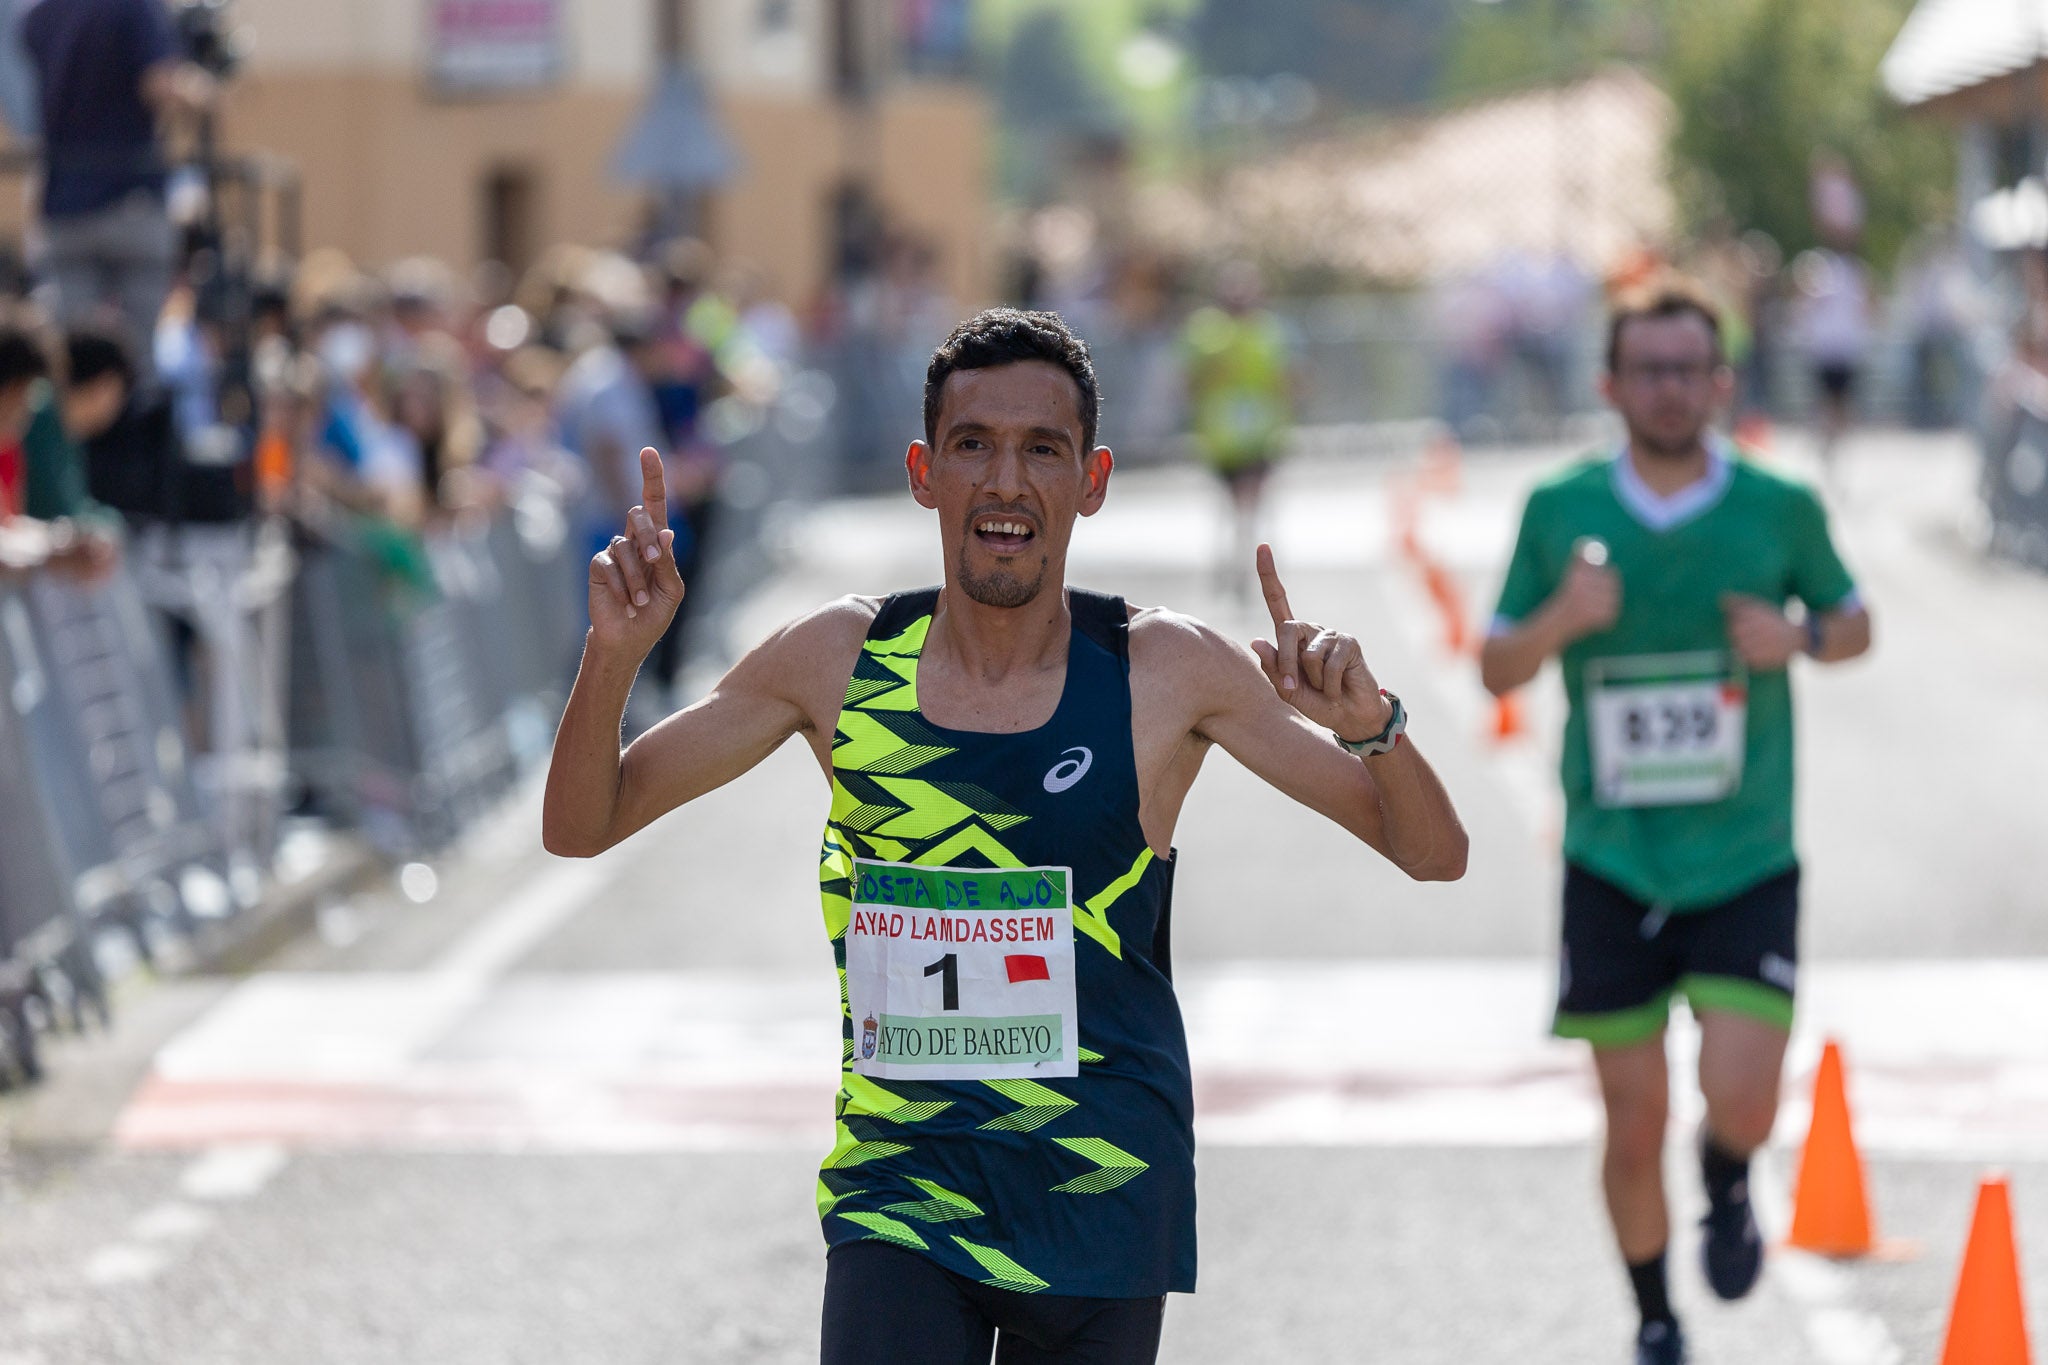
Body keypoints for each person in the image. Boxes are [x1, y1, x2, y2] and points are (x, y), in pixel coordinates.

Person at [544, 308, 1468, 1363]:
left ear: (1093, 479)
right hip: (902, 1187)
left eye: (1043, 449)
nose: (1005, 481)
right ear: (922, 471)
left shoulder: (1164, 672)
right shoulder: (836, 660)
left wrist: (1373, 729)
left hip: (1098, 1184)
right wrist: (611, 657)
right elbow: (584, 824)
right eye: (973, 443)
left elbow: (1431, 852)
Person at [1479, 284, 1873, 1365]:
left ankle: (1728, 1174)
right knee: (1630, 1120)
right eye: (1643, 369)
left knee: (1739, 1099)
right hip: (1608, 858)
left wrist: (1793, 637)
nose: (1665, 387)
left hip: (1744, 853)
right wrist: (1564, 614)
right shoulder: (1558, 508)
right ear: (1608, 386)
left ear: (1719, 383)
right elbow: (1495, 661)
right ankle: (1654, 1317)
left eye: (1684, 368)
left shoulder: (1775, 505)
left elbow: (1854, 624)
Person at [19, 0, 214, 362]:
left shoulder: (43, 13)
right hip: (131, 205)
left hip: (63, 207)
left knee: (72, 361)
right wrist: (203, 91)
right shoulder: (134, 8)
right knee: (136, 363)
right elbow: (160, 82)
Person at [1179, 261, 1297, 598]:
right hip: (1221, 439)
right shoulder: (1205, 332)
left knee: (1251, 502)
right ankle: (1234, 562)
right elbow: (1187, 379)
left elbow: (1287, 377)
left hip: (1259, 435)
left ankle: (1246, 565)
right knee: (1231, 505)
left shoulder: (1269, 332)